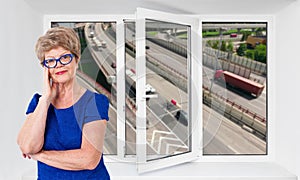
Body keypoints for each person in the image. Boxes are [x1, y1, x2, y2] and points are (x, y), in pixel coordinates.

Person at [17, 26, 110, 179]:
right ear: (45, 67)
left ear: (77, 59)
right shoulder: (38, 103)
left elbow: (88, 159)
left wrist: (39, 155)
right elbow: (27, 146)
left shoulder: (94, 102)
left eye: (64, 57)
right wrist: (46, 98)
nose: (58, 64)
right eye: (51, 61)